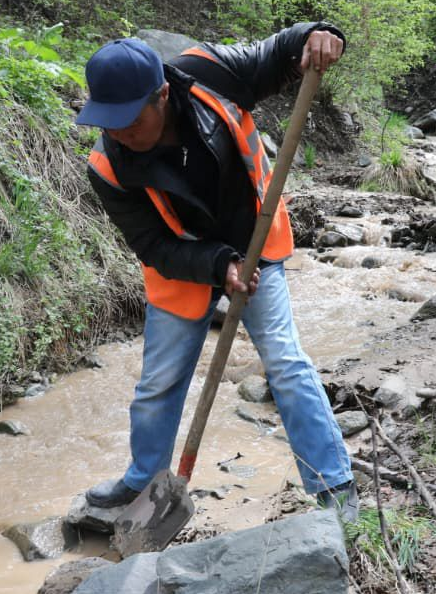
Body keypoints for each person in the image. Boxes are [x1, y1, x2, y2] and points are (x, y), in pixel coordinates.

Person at [75, 23, 357, 521]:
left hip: (256, 237)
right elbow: (152, 244)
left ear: (162, 93)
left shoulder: (208, 73)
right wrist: (217, 265)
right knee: (158, 382)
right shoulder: (106, 166)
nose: (117, 132)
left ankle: (333, 488)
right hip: (182, 264)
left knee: (286, 364)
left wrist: (317, 33)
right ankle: (144, 482)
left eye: (129, 120)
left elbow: (276, 53)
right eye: (107, 120)